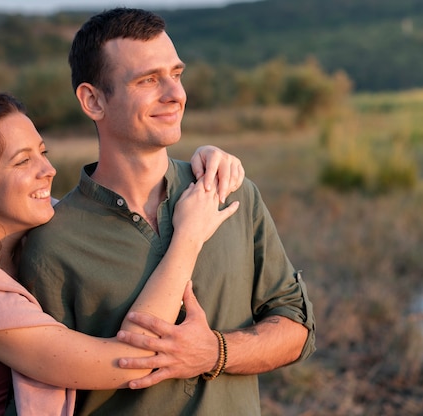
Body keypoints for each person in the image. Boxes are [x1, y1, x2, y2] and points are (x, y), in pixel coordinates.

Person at [17, 7, 316, 416]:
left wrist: (215, 352)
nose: (175, 94)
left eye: (176, 74)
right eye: (148, 80)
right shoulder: (51, 245)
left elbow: (297, 328)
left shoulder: (231, 194)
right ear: (93, 100)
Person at [0, 92, 246, 415]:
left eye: (43, 152)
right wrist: (189, 239)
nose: (48, 170)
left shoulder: (34, 229)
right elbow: (125, 362)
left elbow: (113, 205)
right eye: (23, 162)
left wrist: (200, 163)